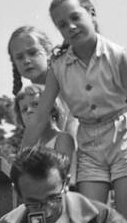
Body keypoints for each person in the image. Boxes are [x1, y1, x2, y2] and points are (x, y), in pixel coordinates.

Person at [18, 0, 127, 223]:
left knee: (124, 220)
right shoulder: (59, 67)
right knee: (90, 221)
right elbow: (41, 116)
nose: (71, 27)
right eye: (62, 25)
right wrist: (20, 159)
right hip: (89, 141)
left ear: (92, 13)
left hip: (123, 136)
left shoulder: (116, 55)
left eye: (76, 17)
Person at [8, 26, 78, 183]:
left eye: (32, 53)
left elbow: (73, 128)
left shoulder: (65, 81)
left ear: (47, 51)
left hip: (79, 163)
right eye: (19, 57)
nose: (26, 60)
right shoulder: (29, 97)